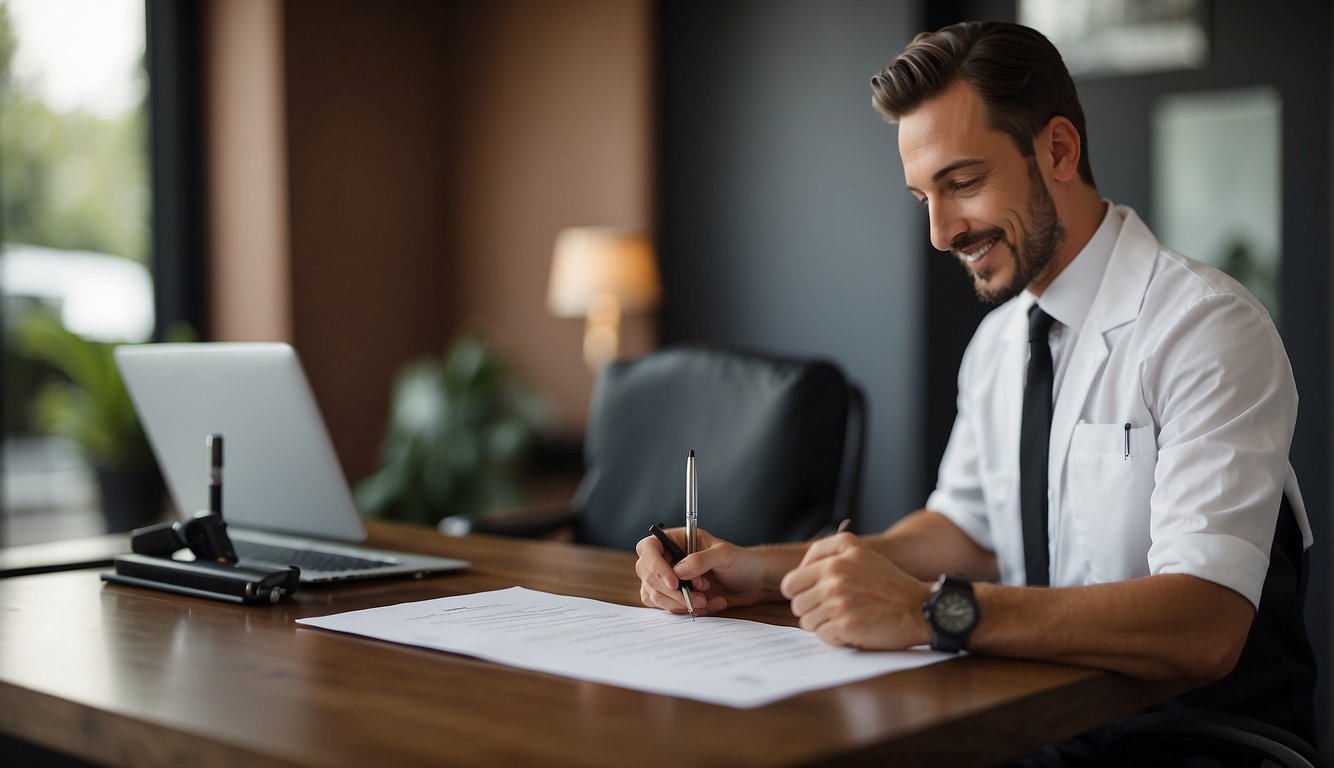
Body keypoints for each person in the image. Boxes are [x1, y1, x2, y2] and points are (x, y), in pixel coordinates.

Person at [633, 19, 1316, 762]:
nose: (939, 232)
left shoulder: (1207, 329)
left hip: (1197, 743)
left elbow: (1205, 625)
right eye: (923, 195)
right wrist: (763, 570)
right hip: (1044, 726)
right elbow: (964, 533)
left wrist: (933, 612)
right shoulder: (998, 344)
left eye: (962, 183)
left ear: (1058, 149)